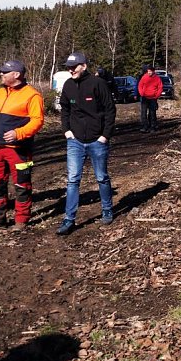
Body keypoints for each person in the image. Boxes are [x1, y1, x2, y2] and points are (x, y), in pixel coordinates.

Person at [0, 60, 44, 232]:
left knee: (22, 185)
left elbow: (38, 121)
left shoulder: (32, 95)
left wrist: (19, 133)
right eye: (1, 72)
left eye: (4, 72)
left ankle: (21, 220)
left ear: (16, 75)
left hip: (19, 150)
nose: (1, 74)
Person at [56, 51, 117, 236]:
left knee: (101, 177)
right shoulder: (68, 85)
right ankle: (69, 219)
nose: (70, 69)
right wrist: (66, 130)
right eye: (68, 67)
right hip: (75, 141)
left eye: (73, 66)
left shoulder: (98, 84)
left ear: (84, 66)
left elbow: (110, 110)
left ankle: (107, 209)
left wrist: (105, 136)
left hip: (97, 140)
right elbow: (64, 109)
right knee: (73, 180)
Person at [138, 65, 163, 133]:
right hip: (144, 98)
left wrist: (156, 95)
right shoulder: (144, 77)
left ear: (153, 71)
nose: (149, 73)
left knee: (152, 113)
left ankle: (152, 126)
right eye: (148, 71)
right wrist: (141, 93)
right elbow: (140, 85)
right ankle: (144, 126)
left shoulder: (157, 78)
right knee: (143, 113)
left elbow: (160, 87)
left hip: (153, 98)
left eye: (150, 71)